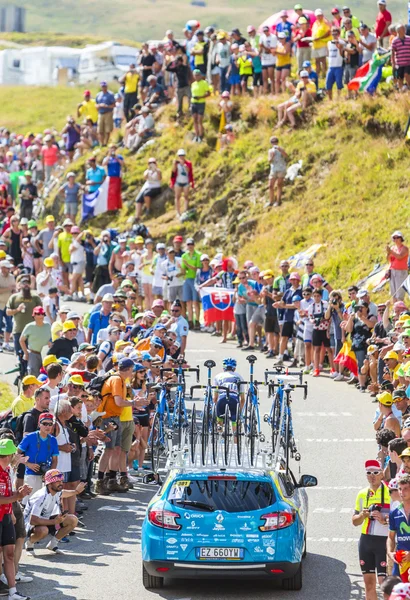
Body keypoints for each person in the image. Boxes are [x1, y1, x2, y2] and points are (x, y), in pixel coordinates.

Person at [95, 358, 138, 494]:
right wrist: (134, 403)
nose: (133, 373)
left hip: (114, 417)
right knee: (109, 449)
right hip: (109, 417)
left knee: (116, 449)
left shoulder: (120, 379)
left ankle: (111, 480)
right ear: (129, 369)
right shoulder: (117, 379)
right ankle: (100, 481)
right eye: (132, 370)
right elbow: (118, 401)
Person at [352, 460, 389, 600]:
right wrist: (362, 515)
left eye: (376, 472)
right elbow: (355, 521)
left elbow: (400, 517)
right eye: (369, 473)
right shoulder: (362, 494)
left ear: (381, 474)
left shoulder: (390, 491)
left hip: (384, 541)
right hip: (366, 540)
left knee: (384, 584)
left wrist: (384, 518)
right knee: (368, 583)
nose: (372, 476)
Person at [24, 468, 84, 555]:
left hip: (46, 519)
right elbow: (33, 520)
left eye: (61, 481)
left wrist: (76, 491)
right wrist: (54, 521)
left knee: (73, 519)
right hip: (30, 524)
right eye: (57, 481)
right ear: (49, 483)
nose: (60, 483)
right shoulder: (41, 497)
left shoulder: (56, 490)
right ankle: (29, 544)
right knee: (43, 530)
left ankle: (53, 544)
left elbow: (64, 493)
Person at [0, 438, 31, 600]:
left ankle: (13, 592)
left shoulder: (5, 471)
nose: (16, 455)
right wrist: (18, 496)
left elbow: (7, 496)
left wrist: (12, 509)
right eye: (14, 453)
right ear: (8, 455)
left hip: (5, 516)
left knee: (9, 554)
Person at [17, 412, 58, 496]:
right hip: (31, 474)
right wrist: (28, 464)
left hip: (45, 475)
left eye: (50, 424)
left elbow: (55, 460)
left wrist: (50, 474)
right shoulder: (29, 437)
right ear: (39, 424)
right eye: (45, 423)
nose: (47, 427)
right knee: (30, 502)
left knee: (44, 503)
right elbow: (16, 454)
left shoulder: (53, 440)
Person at [6, 276, 42, 356]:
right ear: (20, 285)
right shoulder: (14, 297)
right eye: (24, 283)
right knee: (20, 354)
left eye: (28, 283)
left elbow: (41, 312)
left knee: (33, 354)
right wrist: (17, 309)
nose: (26, 285)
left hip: (33, 330)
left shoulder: (35, 297)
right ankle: (21, 367)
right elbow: (8, 312)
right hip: (18, 330)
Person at [19, 307, 51, 377]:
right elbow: (21, 340)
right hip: (33, 354)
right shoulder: (29, 326)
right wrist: (26, 353)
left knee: (46, 374)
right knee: (33, 375)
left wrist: (50, 342)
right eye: (38, 314)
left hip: (46, 354)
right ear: (34, 315)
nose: (41, 316)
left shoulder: (48, 326)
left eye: (42, 314)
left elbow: (51, 338)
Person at [213, 358, 245, 426]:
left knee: (219, 419)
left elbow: (215, 398)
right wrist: (239, 413)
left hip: (222, 399)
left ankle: (220, 429)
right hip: (234, 399)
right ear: (234, 368)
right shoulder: (239, 376)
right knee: (234, 421)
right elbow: (242, 399)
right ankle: (235, 434)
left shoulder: (217, 376)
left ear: (223, 368)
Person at [181, 238, 202, 330]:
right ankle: (190, 321)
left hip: (195, 279)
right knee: (188, 301)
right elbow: (183, 268)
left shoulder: (198, 255)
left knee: (195, 302)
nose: (190, 246)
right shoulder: (184, 255)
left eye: (191, 244)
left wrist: (187, 265)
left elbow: (197, 268)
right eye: (188, 244)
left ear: (194, 245)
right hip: (187, 279)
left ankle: (197, 321)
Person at [170, 149, 194, 218]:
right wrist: (174, 164)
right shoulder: (176, 164)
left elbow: (189, 172)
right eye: (180, 156)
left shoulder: (188, 163)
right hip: (178, 182)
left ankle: (185, 210)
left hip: (186, 182)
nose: (181, 157)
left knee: (186, 196)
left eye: (182, 155)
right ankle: (178, 211)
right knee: (177, 197)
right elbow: (173, 172)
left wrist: (184, 165)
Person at [386, 231, 409, 301]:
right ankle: (395, 309)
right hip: (393, 271)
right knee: (393, 293)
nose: (395, 239)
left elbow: (400, 257)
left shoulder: (404, 248)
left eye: (397, 237)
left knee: (399, 293)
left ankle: (400, 308)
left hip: (401, 272)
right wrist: (388, 253)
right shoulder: (393, 248)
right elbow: (389, 259)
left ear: (401, 238)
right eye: (394, 238)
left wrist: (391, 251)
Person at [266, 137, 288, 208]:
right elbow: (269, 160)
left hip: (281, 168)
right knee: (270, 185)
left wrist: (280, 150)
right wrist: (272, 156)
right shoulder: (270, 151)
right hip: (273, 169)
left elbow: (286, 156)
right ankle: (271, 201)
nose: (274, 143)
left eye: (275, 141)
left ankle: (278, 201)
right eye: (272, 142)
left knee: (279, 184)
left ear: (277, 142)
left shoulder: (281, 149)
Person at [191, 69, 210, 143]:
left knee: (199, 120)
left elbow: (208, 93)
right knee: (194, 120)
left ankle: (201, 135)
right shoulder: (193, 84)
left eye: (198, 75)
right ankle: (196, 135)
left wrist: (201, 97)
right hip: (193, 103)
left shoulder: (204, 83)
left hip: (201, 103)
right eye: (195, 75)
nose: (197, 77)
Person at [0, 260, 15, 352]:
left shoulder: (12, 277)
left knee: (9, 325)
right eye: (7, 267)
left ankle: (6, 343)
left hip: (8, 304)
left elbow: (14, 288)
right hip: (0, 304)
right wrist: (9, 288)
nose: (9, 269)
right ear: (2, 268)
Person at [311, 9, 331, 78]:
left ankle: (324, 74)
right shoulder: (315, 23)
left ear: (322, 15)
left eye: (320, 15)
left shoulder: (325, 23)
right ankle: (317, 74)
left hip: (322, 44)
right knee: (317, 60)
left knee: (323, 60)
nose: (319, 17)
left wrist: (319, 38)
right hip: (315, 45)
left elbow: (328, 32)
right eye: (318, 16)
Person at [95, 81, 116, 146]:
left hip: (108, 113)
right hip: (100, 113)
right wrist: (99, 106)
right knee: (100, 130)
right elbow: (96, 104)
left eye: (105, 86)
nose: (104, 87)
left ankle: (106, 143)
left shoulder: (110, 94)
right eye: (102, 86)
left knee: (107, 129)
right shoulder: (98, 95)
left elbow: (114, 105)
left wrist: (106, 106)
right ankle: (102, 143)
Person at [391, 24, 410, 90]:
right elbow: (392, 52)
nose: (404, 30)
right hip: (399, 63)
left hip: (408, 62)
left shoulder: (409, 39)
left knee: (407, 75)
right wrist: (393, 62)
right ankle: (401, 90)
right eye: (403, 29)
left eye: (404, 29)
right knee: (400, 78)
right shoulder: (395, 41)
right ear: (398, 31)